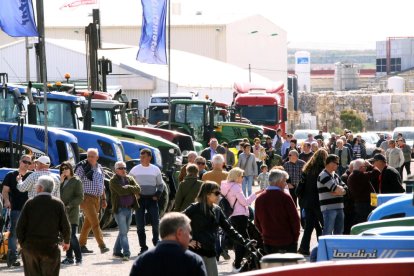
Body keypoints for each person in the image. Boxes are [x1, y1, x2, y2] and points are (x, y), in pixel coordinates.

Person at [183, 181, 248, 276]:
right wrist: (188, 240)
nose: (219, 196)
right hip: (195, 252)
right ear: (207, 194)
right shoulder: (194, 208)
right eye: (216, 193)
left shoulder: (217, 209)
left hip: (210, 251)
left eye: (220, 193)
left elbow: (228, 228)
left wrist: (244, 242)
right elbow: (175, 222)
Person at [16, 175, 71, 276]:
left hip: (30, 248)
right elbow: (65, 226)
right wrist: (66, 241)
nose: (36, 187)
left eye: (37, 185)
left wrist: (22, 243)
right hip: (50, 247)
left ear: (41, 188)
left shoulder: (30, 203)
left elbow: (20, 227)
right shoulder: (58, 204)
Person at [130, 212, 207, 276]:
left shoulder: (142, 261)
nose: (190, 237)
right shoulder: (193, 261)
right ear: (179, 233)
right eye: (189, 233)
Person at [221, 168, 263, 271]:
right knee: (243, 241)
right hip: (240, 216)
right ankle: (238, 264)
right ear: (236, 176)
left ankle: (238, 262)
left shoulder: (226, 186)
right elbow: (245, 202)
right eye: (241, 176)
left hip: (233, 215)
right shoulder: (236, 187)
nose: (243, 178)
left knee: (239, 240)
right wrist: (256, 194)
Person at [255, 169, 300, 254]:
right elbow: (295, 220)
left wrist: (264, 235)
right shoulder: (285, 197)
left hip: (268, 242)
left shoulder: (259, 199)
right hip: (287, 242)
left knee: (272, 267)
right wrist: (295, 238)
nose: (285, 184)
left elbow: (257, 222)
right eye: (284, 181)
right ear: (279, 182)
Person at [75, 148, 110, 254]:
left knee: (88, 223)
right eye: (88, 156)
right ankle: (102, 245)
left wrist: (103, 199)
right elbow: (75, 181)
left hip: (97, 198)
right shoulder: (82, 167)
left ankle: (81, 245)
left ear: (97, 158)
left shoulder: (100, 168)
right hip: (86, 198)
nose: (89, 158)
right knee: (95, 222)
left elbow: (102, 185)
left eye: (92, 156)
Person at [129, 148, 164, 255]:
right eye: (140, 156)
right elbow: (129, 183)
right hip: (139, 200)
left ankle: (156, 241)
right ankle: (143, 247)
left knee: (155, 222)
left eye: (143, 156)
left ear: (149, 157)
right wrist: (135, 194)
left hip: (152, 199)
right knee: (140, 225)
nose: (141, 158)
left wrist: (157, 195)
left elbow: (161, 185)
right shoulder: (134, 170)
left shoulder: (155, 169)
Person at [1, 155, 32, 267]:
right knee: (14, 233)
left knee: (29, 234)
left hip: (30, 210)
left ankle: (28, 257)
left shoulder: (32, 175)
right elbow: (5, 191)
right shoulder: (11, 175)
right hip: (16, 209)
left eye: (29, 162)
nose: (27, 164)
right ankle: (13, 258)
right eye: (25, 162)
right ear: (19, 162)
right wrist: (6, 201)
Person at [296, 149, 327, 256]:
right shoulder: (324, 171)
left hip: (308, 203)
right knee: (325, 226)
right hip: (320, 202)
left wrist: (303, 200)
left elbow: (299, 189)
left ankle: (303, 248)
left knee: (309, 227)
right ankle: (324, 248)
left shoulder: (307, 170)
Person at [110, 161, 141, 260]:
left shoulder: (130, 178)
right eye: (120, 168)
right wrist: (131, 190)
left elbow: (138, 189)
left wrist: (129, 187)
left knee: (124, 231)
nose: (123, 170)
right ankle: (127, 253)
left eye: (124, 168)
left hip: (130, 209)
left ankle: (116, 251)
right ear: (116, 170)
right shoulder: (113, 181)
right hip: (119, 210)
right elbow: (121, 191)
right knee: (123, 233)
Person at [59, 161, 84, 265]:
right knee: (66, 236)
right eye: (62, 169)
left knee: (72, 236)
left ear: (71, 169)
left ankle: (79, 258)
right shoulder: (61, 181)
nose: (64, 171)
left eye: (66, 168)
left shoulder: (76, 181)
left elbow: (80, 197)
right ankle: (69, 258)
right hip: (62, 212)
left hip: (72, 211)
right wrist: (60, 182)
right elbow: (57, 194)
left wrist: (69, 205)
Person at [317, 154, 347, 235]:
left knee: (339, 233)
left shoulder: (335, 175)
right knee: (327, 232)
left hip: (339, 207)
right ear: (330, 163)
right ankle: (321, 248)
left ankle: (336, 248)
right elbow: (335, 188)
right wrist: (339, 191)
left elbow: (346, 189)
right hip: (329, 209)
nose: (338, 165)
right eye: (336, 163)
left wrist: (340, 192)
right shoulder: (323, 175)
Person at [347, 159, 380, 226]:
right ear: (361, 167)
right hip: (365, 205)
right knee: (366, 223)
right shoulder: (358, 175)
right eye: (365, 167)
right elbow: (377, 172)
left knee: (363, 221)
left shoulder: (353, 175)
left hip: (362, 204)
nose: (366, 169)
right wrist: (370, 165)